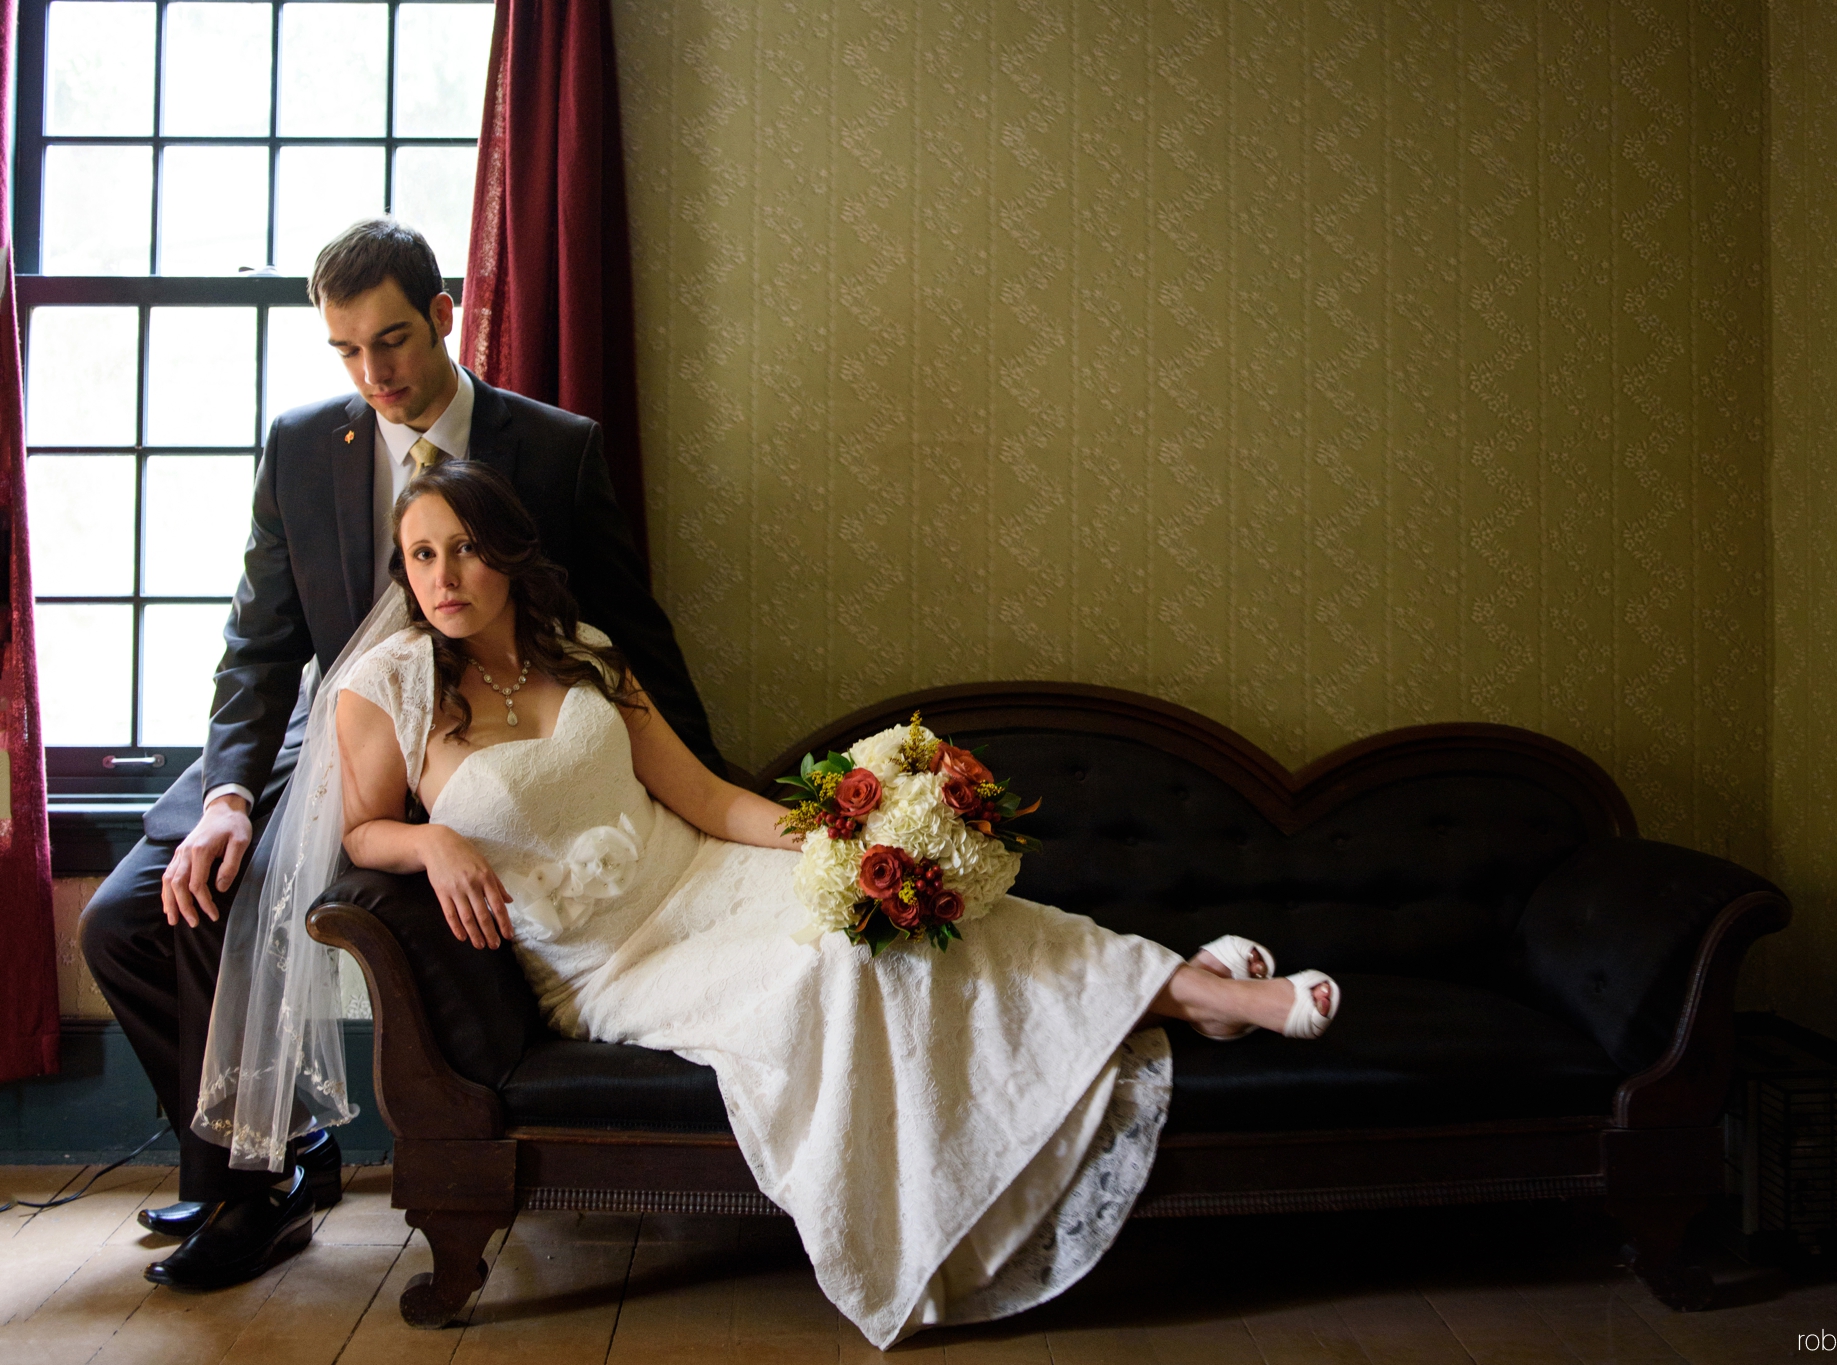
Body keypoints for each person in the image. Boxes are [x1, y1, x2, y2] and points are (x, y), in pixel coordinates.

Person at [310, 460, 1340, 1347]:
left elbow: (704, 798)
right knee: (847, 963)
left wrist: (847, 838)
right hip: (615, 964)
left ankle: (1180, 987)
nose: (444, 577)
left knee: (884, 912)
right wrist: (430, 837)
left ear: (508, 552)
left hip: (707, 876)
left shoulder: (581, 649)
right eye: (421, 556)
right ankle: (1183, 997)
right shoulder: (387, 688)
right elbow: (358, 831)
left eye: (466, 549)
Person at [76, 218, 726, 1291]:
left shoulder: (554, 449)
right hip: (307, 740)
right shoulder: (299, 446)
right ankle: (278, 1142)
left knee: (223, 912)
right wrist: (231, 792)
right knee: (125, 923)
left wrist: (712, 790)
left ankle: (258, 1195)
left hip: (446, 749)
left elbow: (629, 628)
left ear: (442, 315)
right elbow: (258, 647)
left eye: (391, 341)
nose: (371, 373)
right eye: (343, 350)